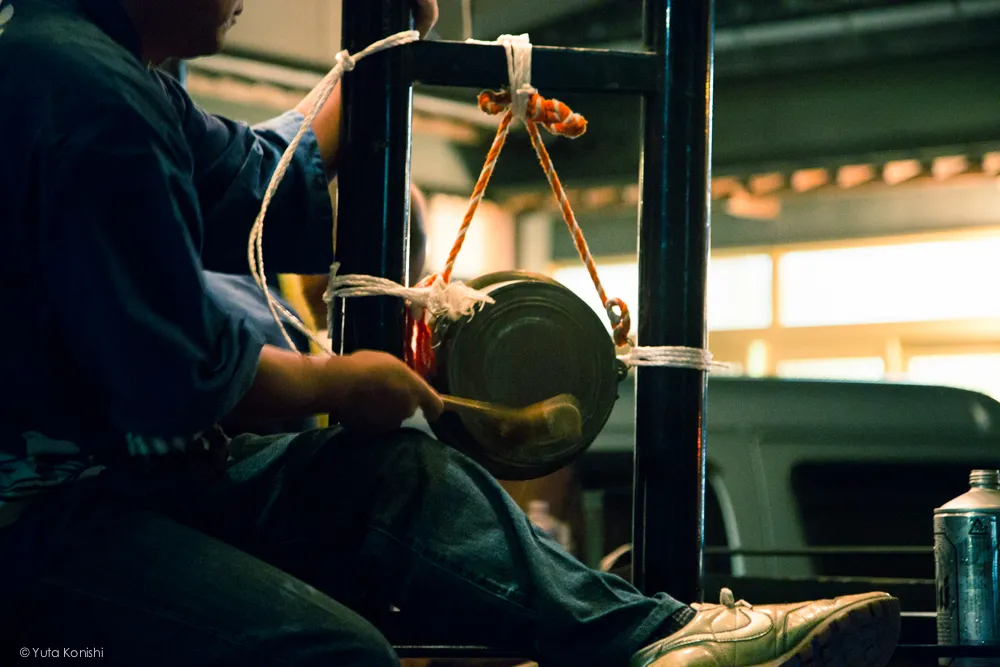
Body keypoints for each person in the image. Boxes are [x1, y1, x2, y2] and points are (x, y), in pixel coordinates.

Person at [0, 1, 901, 666]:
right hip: (43, 511)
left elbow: (261, 183)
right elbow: (173, 371)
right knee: (328, 653)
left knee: (393, 475)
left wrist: (388, 49)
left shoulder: (112, 77)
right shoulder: (78, 88)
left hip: (134, 481)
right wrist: (340, 382)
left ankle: (659, 637)